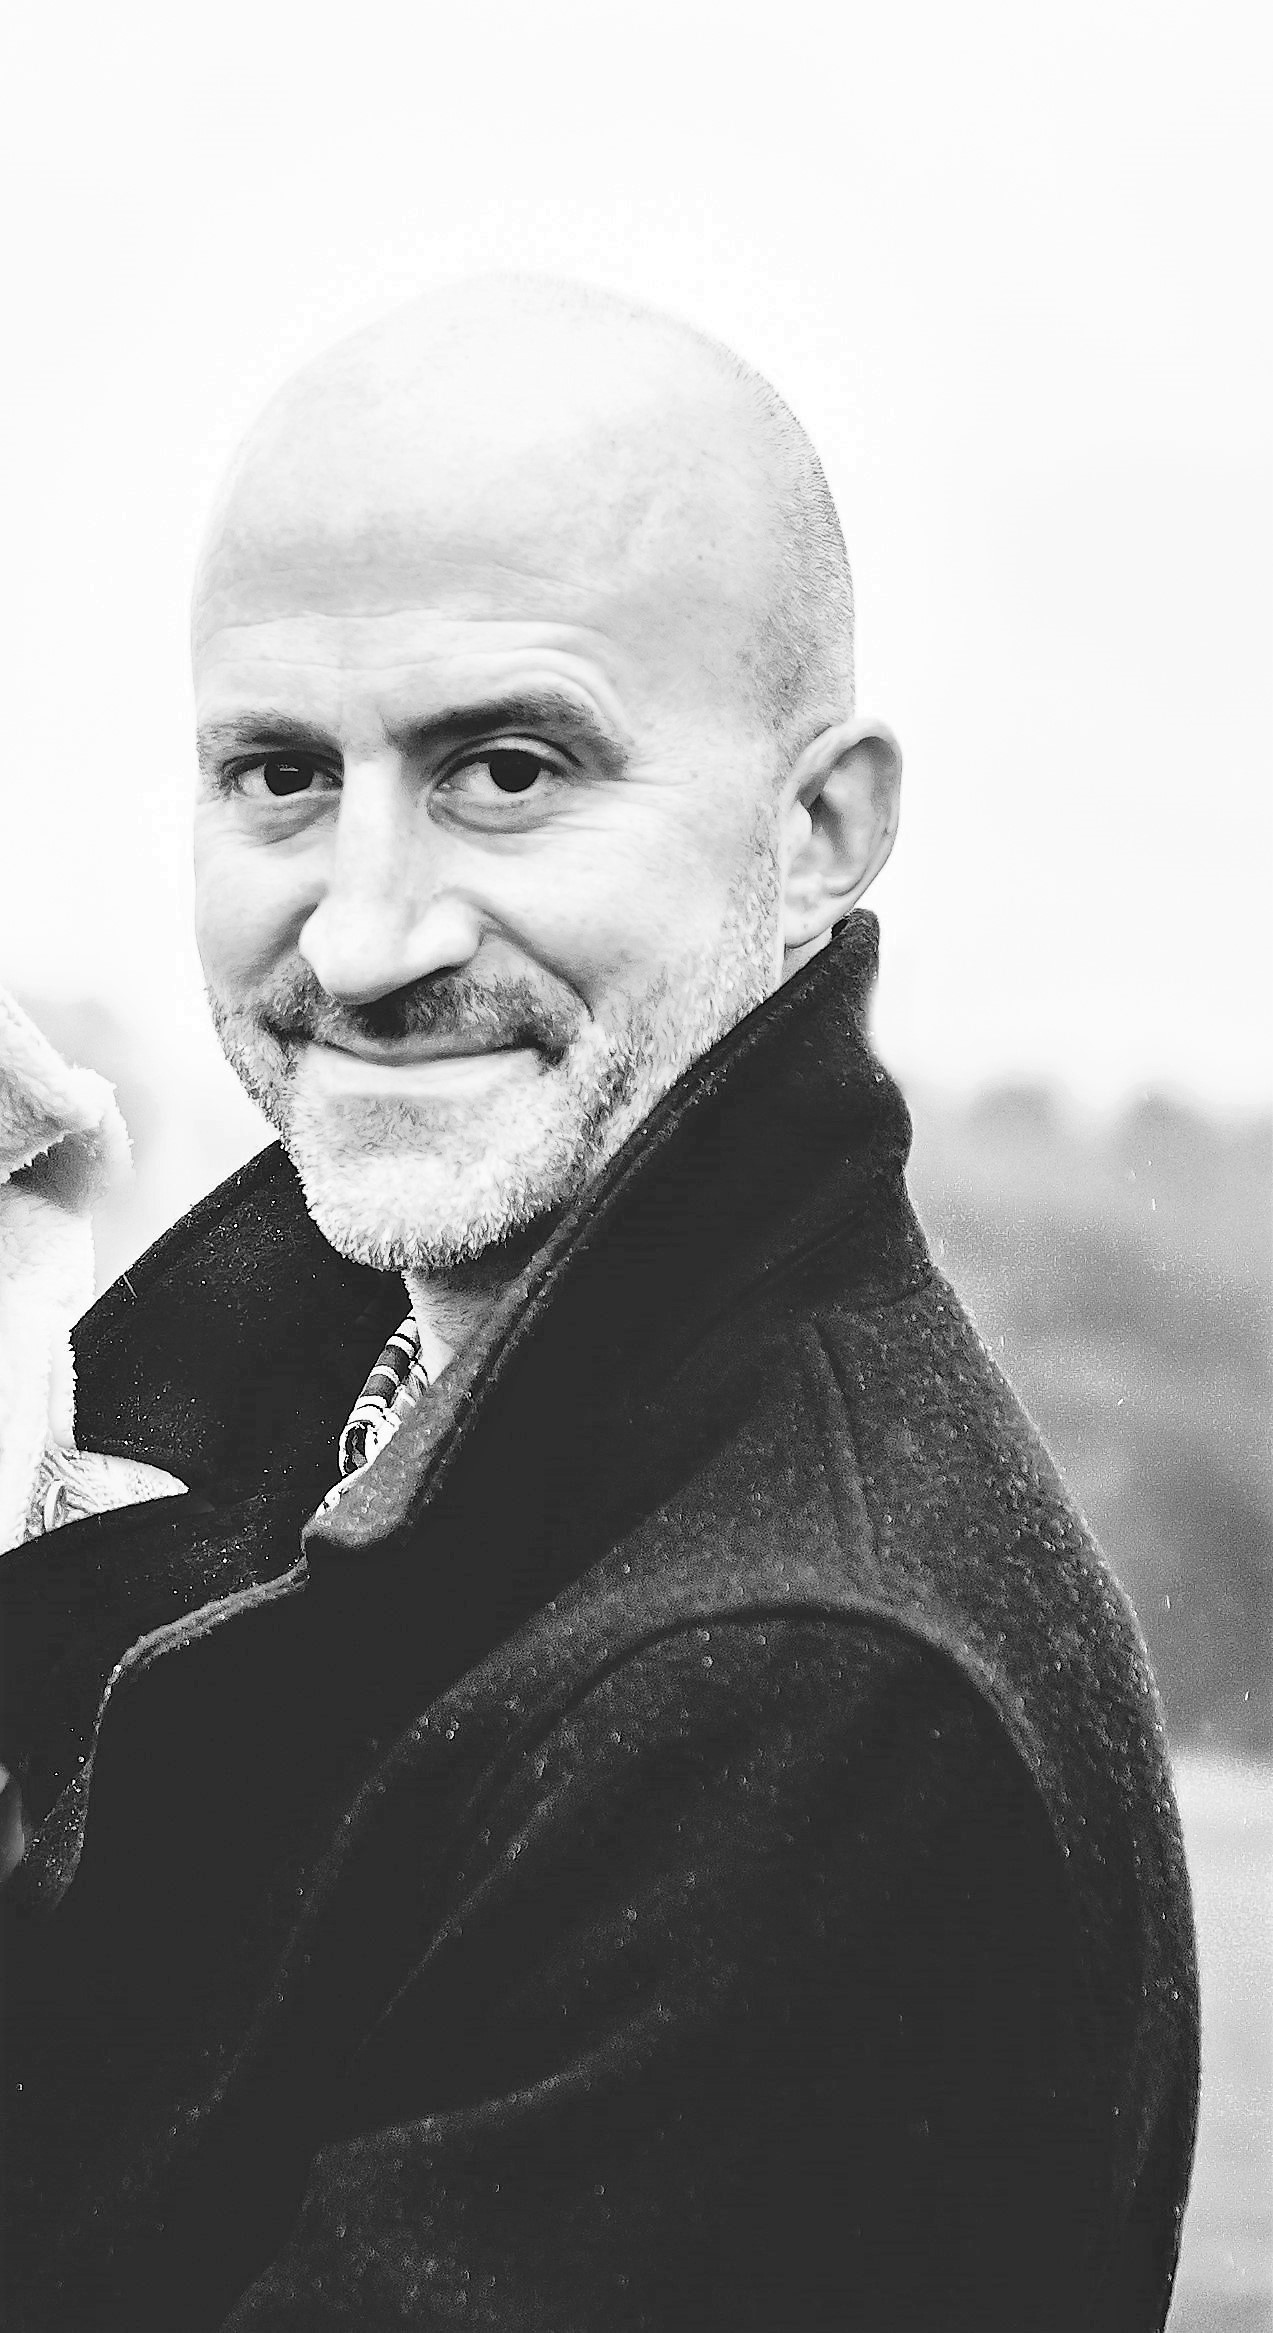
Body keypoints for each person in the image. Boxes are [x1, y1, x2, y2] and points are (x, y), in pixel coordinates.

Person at [0, 277, 1199, 2332]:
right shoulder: (371, 1395)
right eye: (279, 774)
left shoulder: (794, 1706)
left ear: (818, 830)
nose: (362, 936)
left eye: (506, 767)